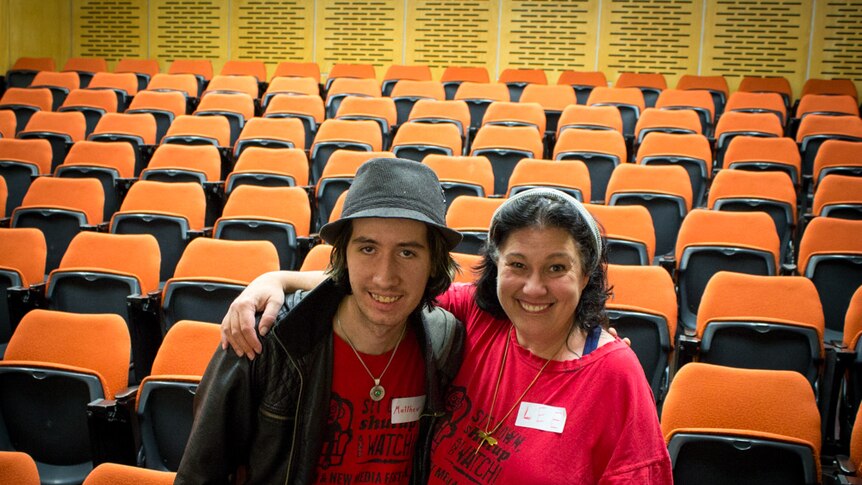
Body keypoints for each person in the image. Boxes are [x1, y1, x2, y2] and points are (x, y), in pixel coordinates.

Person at [223, 188, 672, 484]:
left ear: (586, 273)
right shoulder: (477, 317)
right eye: (517, 265)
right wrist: (275, 280)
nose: (533, 288)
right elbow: (385, 287)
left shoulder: (614, 374)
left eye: (556, 268)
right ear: (496, 268)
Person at [176, 158, 466, 484]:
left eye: (407, 253)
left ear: (433, 263)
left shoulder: (443, 340)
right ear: (343, 255)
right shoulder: (268, 338)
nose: (385, 278)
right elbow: (199, 475)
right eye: (368, 249)